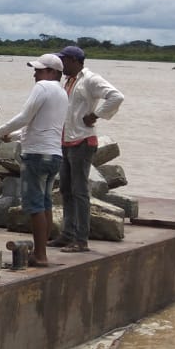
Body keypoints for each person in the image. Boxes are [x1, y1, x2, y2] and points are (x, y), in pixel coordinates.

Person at [0, 53, 69, 267]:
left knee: (34, 205)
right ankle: (42, 251)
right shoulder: (61, 93)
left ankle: (40, 255)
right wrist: (12, 136)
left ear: (52, 72)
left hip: (36, 155)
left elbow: (25, 116)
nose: (35, 73)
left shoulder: (43, 87)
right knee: (45, 203)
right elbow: (39, 124)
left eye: (39, 70)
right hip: (54, 155)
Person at [54, 44, 124, 253]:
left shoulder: (90, 79)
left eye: (64, 60)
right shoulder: (68, 81)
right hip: (66, 140)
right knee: (66, 190)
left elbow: (116, 96)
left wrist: (96, 115)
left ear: (75, 61)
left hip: (83, 142)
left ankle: (81, 239)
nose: (61, 64)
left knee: (80, 191)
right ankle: (67, 234)